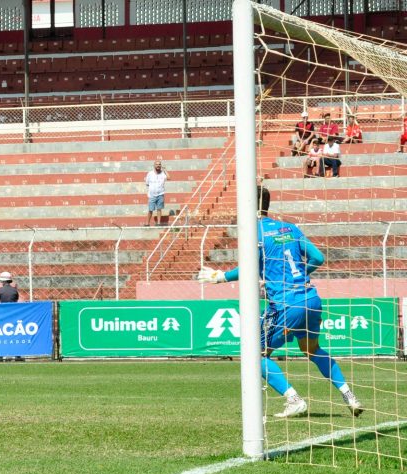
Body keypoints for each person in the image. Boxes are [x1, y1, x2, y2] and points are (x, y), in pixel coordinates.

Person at [198, 186, 363, 419]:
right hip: (311, 298)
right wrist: (297, 277)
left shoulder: (254, 232)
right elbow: (319, 257)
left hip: (286, 304)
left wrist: (221, 276)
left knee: (255, 353)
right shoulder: (290, 228)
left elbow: (249, 266)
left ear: (248, 204)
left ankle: (293, 399)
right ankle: (349, 396)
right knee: (311, 349)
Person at [144, 160, 168, 226]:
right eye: (157, 164)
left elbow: (169, 178)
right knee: (150, 210)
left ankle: (158, 223)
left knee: (159, 209)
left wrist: (165, 170)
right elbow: (147, 183)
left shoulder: (163, 173)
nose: (158, 165)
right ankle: (147, 223)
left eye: (159, 164)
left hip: (160, 194)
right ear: (154, 166)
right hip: (152, 195)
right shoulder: (150, 173)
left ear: (161, 166)